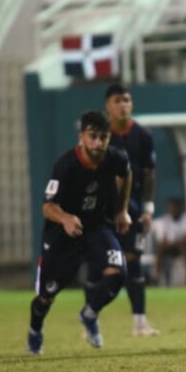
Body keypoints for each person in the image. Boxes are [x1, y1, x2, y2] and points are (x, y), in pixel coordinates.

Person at [26, 111, 132, 355]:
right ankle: (35, 331)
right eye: (92, 137)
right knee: (46, 296)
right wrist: (65, 218)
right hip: (63, 235)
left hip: (96, 227)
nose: (98, 143)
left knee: (117, 273)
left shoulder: (116, 157)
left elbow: (126, 174)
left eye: (103, 137)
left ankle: (89, 314)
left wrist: (122, 210)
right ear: (81, 137)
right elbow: (47, 206)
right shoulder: (66, 166)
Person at [105, 83, 161, 337]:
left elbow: (149, 174)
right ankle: (91, 317)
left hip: (135, 206)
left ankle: (140, 323)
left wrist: (148, 209)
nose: (123, 105)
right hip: (103, 208)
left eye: (126, 100)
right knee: (103, 266)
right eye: (118, 100)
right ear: (108, 105)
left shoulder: (143, 135)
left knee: (133, 262)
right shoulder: (100, 135)